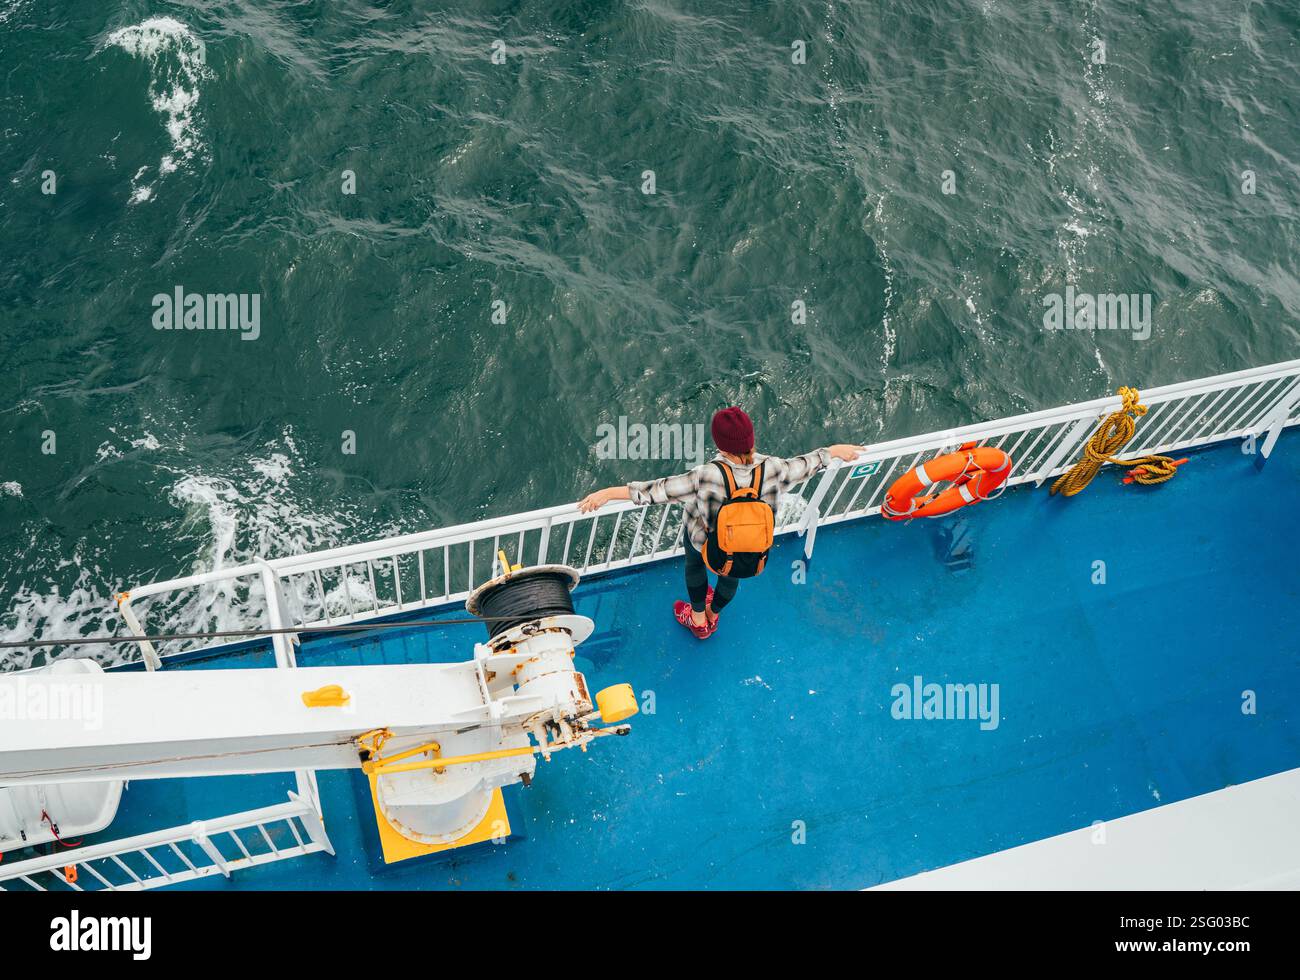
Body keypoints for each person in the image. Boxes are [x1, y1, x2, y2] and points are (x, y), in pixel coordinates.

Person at [578, 407, 862, 639]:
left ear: (719, 445)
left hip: (703, 541)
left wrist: (606, 494)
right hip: (748, 547)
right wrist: (834, 450)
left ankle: (698, 619)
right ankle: (714, 614)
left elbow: (654, 491)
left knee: (694, 567)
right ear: (751, 439)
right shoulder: (775, 468)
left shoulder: (706, 475)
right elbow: (808, 464)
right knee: (731, 576)